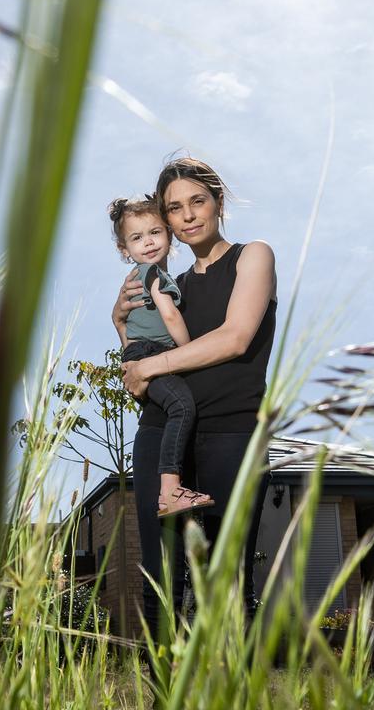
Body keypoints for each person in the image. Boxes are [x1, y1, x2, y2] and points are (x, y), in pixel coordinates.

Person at [112, 157, 277, 637]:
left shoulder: (253, 256)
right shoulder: (170, 288)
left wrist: (151, 365)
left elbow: (235, 337)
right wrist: (121, 328)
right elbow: (136, 371)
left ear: (218, 202)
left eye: (197, 201)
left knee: (225, 578)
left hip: (231, 434)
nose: (187, 215)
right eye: (174, 208)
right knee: (160, 578)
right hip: (164, 435)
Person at [107, 195, 214, 518]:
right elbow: (169, 316)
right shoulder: (153, 275)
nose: (149, 242)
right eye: (137, 238)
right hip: (152, 353)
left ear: (168, 233)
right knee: (182, 406)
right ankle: (170, 490)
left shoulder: (141, 276)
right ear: (124, 249)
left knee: (172, 407)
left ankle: (172, 488)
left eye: (154, 232)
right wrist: (187, 351)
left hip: (140, 352)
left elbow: (128, 326)